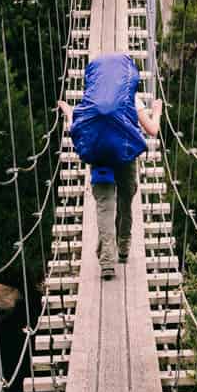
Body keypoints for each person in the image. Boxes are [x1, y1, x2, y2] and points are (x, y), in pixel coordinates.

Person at [58, 52, 162, 279]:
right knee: (125, 203)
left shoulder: (91, 98)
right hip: (124, 158)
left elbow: (76, 125)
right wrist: (158, 112)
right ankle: (123, 249)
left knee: (105, 206)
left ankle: (107, 262)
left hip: (99, 158)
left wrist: (68, 112)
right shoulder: (131, 99)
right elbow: (153, 130)